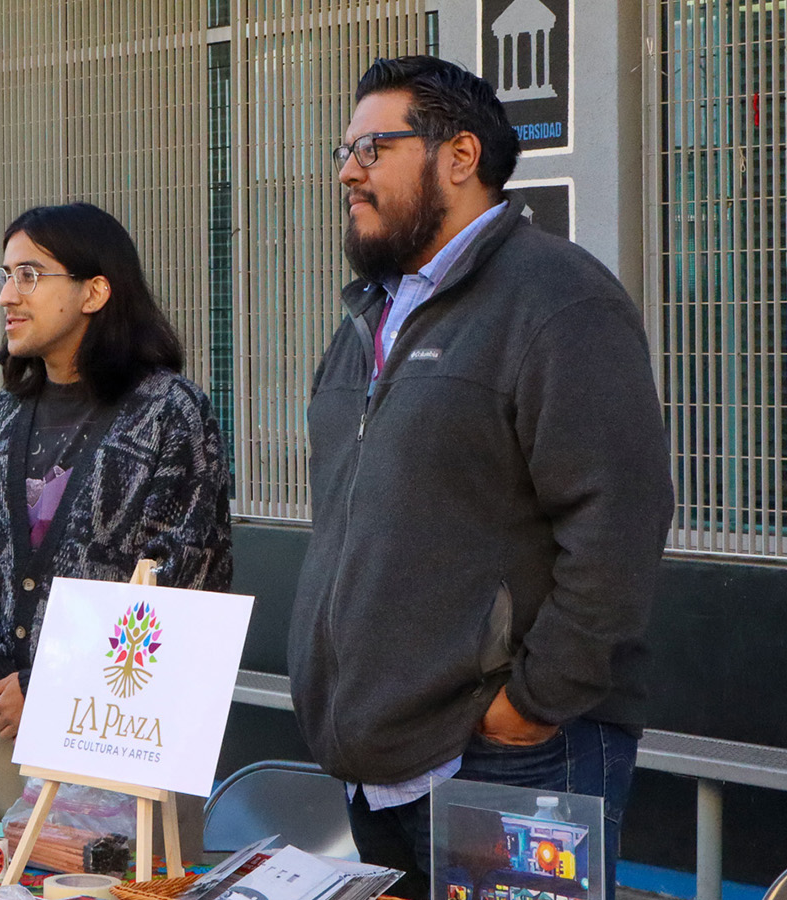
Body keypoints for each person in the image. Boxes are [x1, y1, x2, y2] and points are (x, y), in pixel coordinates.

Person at [287, 56, 674, 900]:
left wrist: (530, 705)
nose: (348, 170)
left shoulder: (559, 300)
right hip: (380, 764)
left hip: (511, 755)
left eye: (373, 147)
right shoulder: (372, 316)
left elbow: (619, 521)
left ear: (459, 157)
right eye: (345, 150)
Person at [0, 202, 232, 819]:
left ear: (95, 291)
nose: (7, 296)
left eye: (30, 275)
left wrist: (49, 692)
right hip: (6, 725)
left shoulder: (169, 413)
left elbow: (182, 582)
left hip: (122, 734)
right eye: (4, 276)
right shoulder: (1, 417)